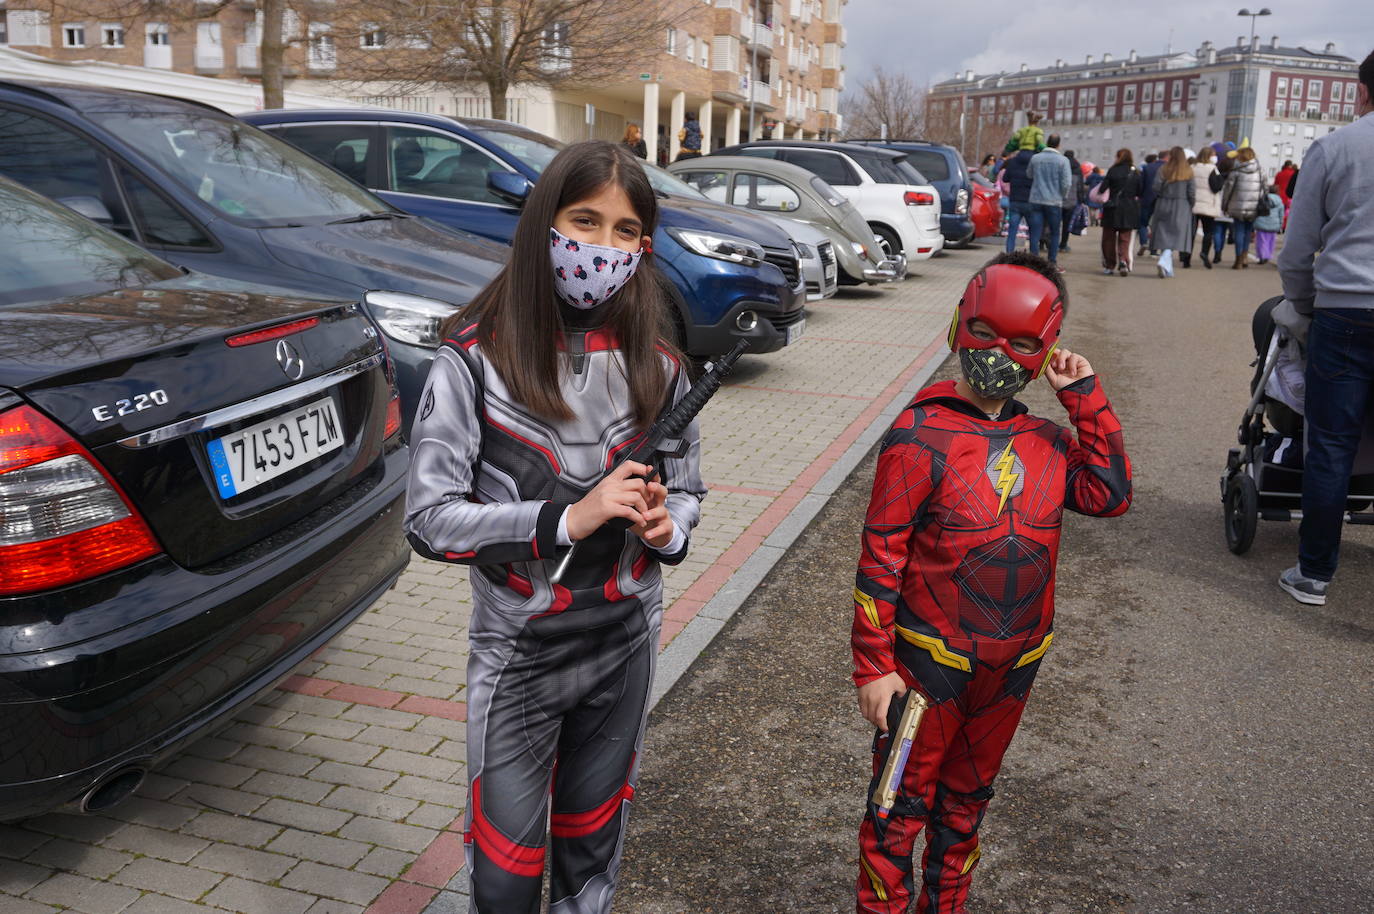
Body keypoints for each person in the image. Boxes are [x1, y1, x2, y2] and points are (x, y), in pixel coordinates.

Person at [404, 141, 705, 913]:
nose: (602, 247)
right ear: (545, 222)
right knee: (503, 880)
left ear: (645, 244)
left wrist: (665, 527)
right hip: (519, 658)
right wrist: (570, 516)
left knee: (593, 867)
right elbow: (430, 520)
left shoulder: (662, 368)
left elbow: (691, 497)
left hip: (625, 647)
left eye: (626, 230)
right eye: (584, 220)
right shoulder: (472, 360)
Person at [851, 251, 1132, 914]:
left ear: (1048, 347)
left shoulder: (1048, 441)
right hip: (924, 676)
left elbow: (1109, 492)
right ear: (958, 324)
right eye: (986, 332)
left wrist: (1083, 394)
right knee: (895, 811)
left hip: (1011, 671)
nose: (1001, 353)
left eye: (1025, 342)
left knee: (966, 811)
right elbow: (880, 557)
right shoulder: (918, 437)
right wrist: (873, 666)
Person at [1275, 48, 1374, 606]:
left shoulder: (1336, 148)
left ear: (1362, 91)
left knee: (1331, 443)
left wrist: (1305, 304)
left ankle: (1314, 573)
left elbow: (1297, 249)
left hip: (1347, 309)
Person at [1026, 133, 1072, 269]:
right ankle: (1052, 261)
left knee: (1035, 231)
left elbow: (1029, 174)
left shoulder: (1035, 158)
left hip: (1036, 199)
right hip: (1054, 201)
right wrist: (1062, 195)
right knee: (1054, 232)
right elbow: (1066, 183)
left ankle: (1033, 261)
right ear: (1058, 144)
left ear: (1047, 143)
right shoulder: (1063, 161)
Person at [1149, 145, 1196, 277]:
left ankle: (1167, 266)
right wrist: (1191, 204)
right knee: (1176, 234)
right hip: (1182, 204)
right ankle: (1165, 259)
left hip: (1164, 202)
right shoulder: (1188, 171)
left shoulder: (1163, 169)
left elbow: (1156, 187)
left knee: (1164, 232)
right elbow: (1191, 191)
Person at [1100, 148, 1142, 276]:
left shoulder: (1113, 170)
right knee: (1125, 238)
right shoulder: (1135, 172)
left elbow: (1103, 188)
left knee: (1108, 238)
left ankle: (1110, 265)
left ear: (1118, 157)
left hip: (1112, 207)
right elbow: (1139, 191)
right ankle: (1123, 260)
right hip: (1129, 208)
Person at [1221, 146, 1265, 268]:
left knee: (1239, 232)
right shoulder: (1260, 170)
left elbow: (1228, 190)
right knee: (1248, 231)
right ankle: (1245, 257)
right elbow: (1264, 188)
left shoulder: (1236, 171)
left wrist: (1224, 205)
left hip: (1237, 205)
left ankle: (1238, 259)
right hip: (1254, 206)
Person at [996, 147, 1036, 254]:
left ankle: (1009, 254)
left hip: (1015, 200)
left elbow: (1005, 178)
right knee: (1033, 232)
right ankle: (1033, 256)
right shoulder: (1035, 161)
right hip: (1030, 201)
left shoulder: (1013, 162)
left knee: (1012, 231)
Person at [1191, 146, 1223, 270]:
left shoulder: (1192, 167)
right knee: (1208, 231)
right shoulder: (1213, 169)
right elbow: (1216, 187)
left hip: (1194, 204)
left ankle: (1186, 257)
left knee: (1191, 232)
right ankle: (1204, 252)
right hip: (1208, 204)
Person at [1137, 151, 1165, 255]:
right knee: (1157, 225)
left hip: (1146, 198)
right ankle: (1154, 249)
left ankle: (1144, 242)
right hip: (1161, 200)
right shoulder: (1169, 168)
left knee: (1143, 223)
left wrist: (1140, 196)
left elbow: (1141, 184)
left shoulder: (1147, 167)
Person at [1252, 183, 1285, 265]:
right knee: (1271, 241)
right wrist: (1280, 224)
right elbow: (1281, 215)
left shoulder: (1262, 198)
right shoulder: (1279, 201)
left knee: (1261, 241)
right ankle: (1268, 255)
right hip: (1273, 224)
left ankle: (1262, 256)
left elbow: (1256, 211)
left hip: (1261, 223)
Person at [1059, 149, 1085, 253]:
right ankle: (1063, 245)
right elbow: (1080, 187)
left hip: (1059, 199)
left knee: (1054, 224)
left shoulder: (1061, 165)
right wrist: (1081, 199)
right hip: (1072, 200)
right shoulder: (1078, 168)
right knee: (1066, 224)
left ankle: (1049, 242)